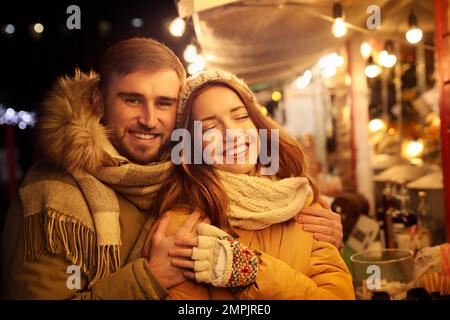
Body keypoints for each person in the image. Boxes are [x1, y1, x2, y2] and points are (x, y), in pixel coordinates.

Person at [1, 38, 344, 299]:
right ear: (99, 101)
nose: (149, 119)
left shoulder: (173, 177)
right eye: (132, 99)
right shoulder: (54, 198)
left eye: (164, 103)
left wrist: (320, 228)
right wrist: (148, 278)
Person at [139, 70, 354, 299]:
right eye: (209, 128)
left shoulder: (302, 202)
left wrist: (253, 271)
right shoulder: (183, 227)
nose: (231, 133)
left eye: (240, 116)